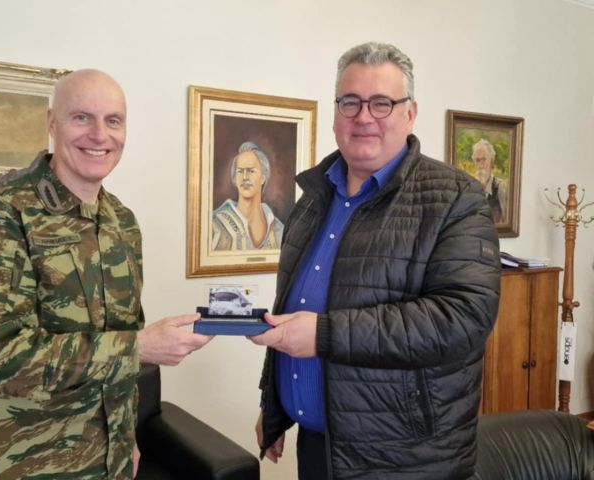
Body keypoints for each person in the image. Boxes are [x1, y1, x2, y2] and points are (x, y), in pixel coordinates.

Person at [250, 42, 501, 480]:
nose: (364, 117)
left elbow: (462, 319)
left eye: (381, 102)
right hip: (319, 449)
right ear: (335, 113)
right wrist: (274, 408)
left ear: (411, 113)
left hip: (405, 461)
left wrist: (324, 334)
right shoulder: (312, 199)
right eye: (350, 102)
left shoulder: (457, 199)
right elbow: (293, 304)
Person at [0, 69, 212, 479]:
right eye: (81, 117)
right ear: (51, 122)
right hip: (17, 463)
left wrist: (126, 437)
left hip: (106, 460)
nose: (99, 135)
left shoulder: (121, 220)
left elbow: (125, 332)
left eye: (113, 121)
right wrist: (138, 347)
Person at [211, 141, 284, 250]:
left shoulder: (279, 230)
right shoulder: (214, 225)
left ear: (263, 178)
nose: (245, 177)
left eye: (251, 171)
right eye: (240, 171)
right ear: (235, 179)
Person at [472, 138, 508, 222]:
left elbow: (506, 221)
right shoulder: (470, 188)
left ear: (491, 162)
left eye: (484, 159)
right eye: (477, 160)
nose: (481, 165)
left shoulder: (501, 188)